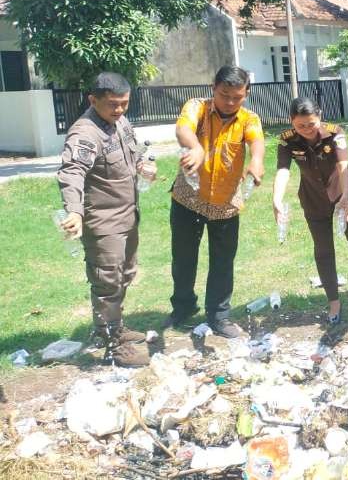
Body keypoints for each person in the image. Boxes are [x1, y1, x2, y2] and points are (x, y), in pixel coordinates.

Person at [57, 72, 155, 367]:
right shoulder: (85, 133)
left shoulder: (121, 122)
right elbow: (72, 171)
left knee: (124, 275)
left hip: (127, 215)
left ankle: (113, 327)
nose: (120, 110)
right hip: (103, 223)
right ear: (93, 100)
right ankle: (112, 344)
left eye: (124, 104)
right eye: (113, 104)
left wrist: (143, 165)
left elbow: (134, 151)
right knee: (107, 282)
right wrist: (74, 210)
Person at [166, 66, 265, 338]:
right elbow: (182, 128)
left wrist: (256, 162)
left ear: (246, 95)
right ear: (213, 88)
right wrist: (196, 147)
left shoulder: (248, 119)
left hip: (225, 204)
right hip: (189, 198)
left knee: (223, 261)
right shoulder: (196, 107)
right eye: (225, 95)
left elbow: (256, 143)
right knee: (184, 257)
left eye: (238, 97)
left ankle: (219, 316)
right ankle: (183, 308)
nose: (231, 102)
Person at [273, 98, 348, 325]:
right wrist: (276, 199)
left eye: (311, 124)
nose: (306, 130)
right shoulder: (286, 141)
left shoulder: (335, 133)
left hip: (343, 191)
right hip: (313, 198)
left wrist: (345, 196)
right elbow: (283, 170)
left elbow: (343, 166)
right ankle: (334, 299)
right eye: (300, 125)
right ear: (292, 122)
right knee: (323, 248)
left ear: (319, 117)